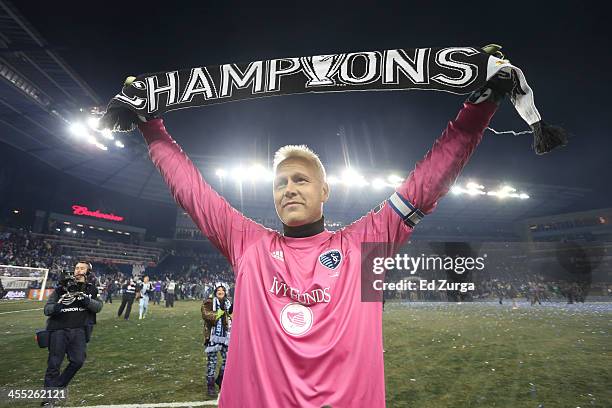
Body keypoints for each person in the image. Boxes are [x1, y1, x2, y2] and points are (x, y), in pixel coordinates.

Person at [107, 45, 514, 407]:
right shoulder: (248, 245)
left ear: (325, 192)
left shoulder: (367, 244)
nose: (289, 189)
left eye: (301, 180)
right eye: (280, 183)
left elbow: (426, 184)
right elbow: (191, 190)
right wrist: (151, 126)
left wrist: (479, 108)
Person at [41, 261, 103, 406]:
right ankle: (48, 400)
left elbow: (98, 307)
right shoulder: (61, 288)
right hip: (58, 329)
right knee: (54, 364)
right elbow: (47, 309)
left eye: (82, 268)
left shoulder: (91, 289)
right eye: (76, 268)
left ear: (88, 272)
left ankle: (59, 387)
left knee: (78, 361)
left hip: (79, 330)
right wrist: (59, 305)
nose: (78, 270)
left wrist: (84, 299)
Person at [201, 285, 233, 396]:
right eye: (218, 290)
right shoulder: (209, 302)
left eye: (223, 290)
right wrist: (218, 313)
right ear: (215, 292)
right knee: (212, 362)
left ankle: (220, 378)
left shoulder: (228, 303)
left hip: (225, 337)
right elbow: (205, 314)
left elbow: (231, 315)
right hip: (212, 337)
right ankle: (210, 386)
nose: (220, 292)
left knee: (228, 360)